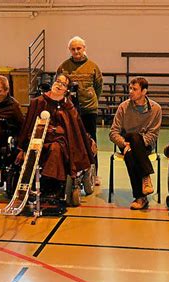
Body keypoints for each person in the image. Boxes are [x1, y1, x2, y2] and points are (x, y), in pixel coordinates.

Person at [16, 74, 95, 197]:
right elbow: (28, 125)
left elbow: (74, 130)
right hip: (38, 140)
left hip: (59, 142)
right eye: (58, 81)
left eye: (63, 84)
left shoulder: (68, 107)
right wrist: (22, 148)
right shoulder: (38, 102)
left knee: (56, 148)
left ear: (66, 90)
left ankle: (51, 184)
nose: (59, 85)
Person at [109, 77, 162, 210]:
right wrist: (124, 143)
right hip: (126, 144)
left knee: (134, 144)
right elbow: (113, 132)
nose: (130, 92)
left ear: (144, 91)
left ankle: (140, 197)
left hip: (146, 145)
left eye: (134, 89)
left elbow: (153, 134)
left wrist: (135, 144)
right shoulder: (123, 107)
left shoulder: (156, 109)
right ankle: (146, 176)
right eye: (130, 88)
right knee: (131, 144)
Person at [57, 36, 103, 185]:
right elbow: (58, 86)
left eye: (79, 48)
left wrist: (90, 99)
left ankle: (94, 174)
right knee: (70, 140)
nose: (76, 51)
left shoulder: (93, 67)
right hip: (70, 111)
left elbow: (98, 87)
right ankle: (71, 171)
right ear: (69, 50)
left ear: (84, 48)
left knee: (91, 141)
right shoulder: (63, 67)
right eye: (73, 49)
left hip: (89, 110)